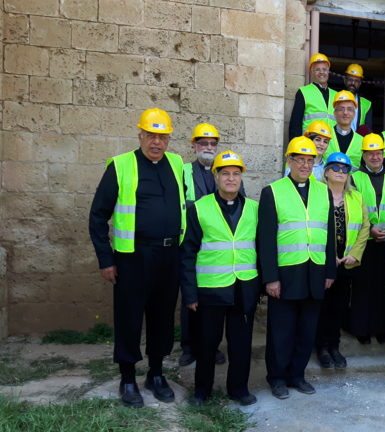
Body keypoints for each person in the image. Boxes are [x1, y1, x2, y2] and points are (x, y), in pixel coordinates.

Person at [89, 108, 185, 407]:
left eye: (162, 137)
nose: (157, 142)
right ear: (140, 135)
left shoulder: (177, 163)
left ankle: (156, 374)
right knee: (129, 317)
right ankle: (128, 378)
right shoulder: (120, 166)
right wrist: (106, 259)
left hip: (169, 255)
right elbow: (97, 216)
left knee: (163, 318)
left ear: (169, 139)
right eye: (151, 135)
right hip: (133, 257)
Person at [180, 150, 260, 407]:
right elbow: (187, 253)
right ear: (216, 176)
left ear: (241, 178)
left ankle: (239, 389)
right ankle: (202, 391)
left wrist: (260, 286)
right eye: (225, 173)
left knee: (241, 344)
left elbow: (262, 249)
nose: (231, 179)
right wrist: (190, 294)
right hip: (210, 289)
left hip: (243, 288)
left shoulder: (255, 209)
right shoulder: (199, 208)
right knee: (206, 343)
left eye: (236, 174)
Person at [258, 136, 336, 399]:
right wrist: (270, 278)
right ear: (288, 161)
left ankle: (297, 375)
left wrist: (329, 271)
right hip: (286, 274)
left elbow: (328, 235)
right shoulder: (272, 192)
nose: (305, 165)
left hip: (315, 272)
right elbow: (266, 239)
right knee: (281, 331)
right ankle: (277, 377)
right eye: (299, 159)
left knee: (306, 330)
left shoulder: (323, 191)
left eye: (309, 160)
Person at [180, 123, 233, 367]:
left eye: (213, 143)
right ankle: (188, 347)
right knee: (189, 297)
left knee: (214, 300)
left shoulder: (225, 172)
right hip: (191, 243)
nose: (208, 147)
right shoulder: (183, 171)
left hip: (217, 248)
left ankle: (212, 346)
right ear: (194, 145)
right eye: (203, 143)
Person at [315, 152, 370, 369]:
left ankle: (334, 346)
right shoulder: (316, 194)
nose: (340, 172)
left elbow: (364, 226)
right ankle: (321, 347)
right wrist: (329, 257)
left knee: (339, 306)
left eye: (344, 169)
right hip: (322, 261)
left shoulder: (356, 196)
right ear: (326, 172)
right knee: (322, 306)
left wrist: (355, 253)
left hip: (346, 262)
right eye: (335, 168)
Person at [348, 134, 385, 344]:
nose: (375, 157)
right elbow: (353, 209)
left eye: (378, 153)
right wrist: (369, 229)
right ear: (364, 156)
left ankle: (382, 329)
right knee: (363, 287)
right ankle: (362, 330)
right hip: (364, 241)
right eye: (371, 154)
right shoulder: (354, 178)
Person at [288, 53, 336, 140]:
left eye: (324, 69)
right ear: (311, 72)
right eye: (317, 69)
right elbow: (295, 124)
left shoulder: (336, 95)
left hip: (332, 145)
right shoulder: (303, 92)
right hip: (309, 144)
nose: (321, 72)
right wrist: (296, 145)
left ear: (328, 71)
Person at [325, 90, 365, 167]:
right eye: (341, 109)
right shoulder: (324, 136)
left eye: (349, 109)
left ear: (354, 114)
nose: (345, 113)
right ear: (334, 113)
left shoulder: (362, 141)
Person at [342, 63, 373, 131]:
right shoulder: (335, 98)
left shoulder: (366, 104)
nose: (353, 83)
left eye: (356, 81)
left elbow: (368, 130)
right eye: (350, 79)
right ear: (345, 80)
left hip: (357, 138)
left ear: (360, 83)